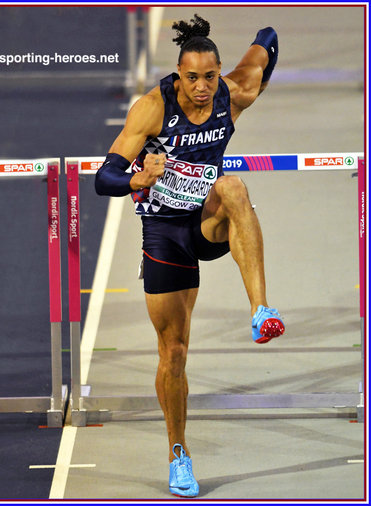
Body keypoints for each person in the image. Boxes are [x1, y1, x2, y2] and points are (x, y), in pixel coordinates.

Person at [95, 14, 285, 498]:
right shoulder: (152, 108)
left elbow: (267, 44)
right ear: (178, 75)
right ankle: (179, 453)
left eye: (209, 76)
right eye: (192, 77)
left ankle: (261, 310)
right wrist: (139, 179)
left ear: (220, 73)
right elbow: (104, 177)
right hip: (163, 233)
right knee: (174, 353)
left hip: (205, 221)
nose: (201, 87)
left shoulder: (232, 93)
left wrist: (259, 39)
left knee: (234, 186)